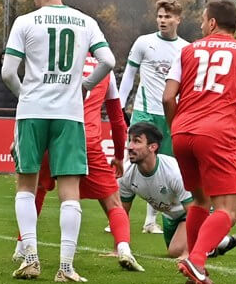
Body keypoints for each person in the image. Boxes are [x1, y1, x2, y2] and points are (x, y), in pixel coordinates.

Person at [2, 0, 115, 283]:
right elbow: (108, 61)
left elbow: (8, 72)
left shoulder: (25, 22)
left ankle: (32, 257)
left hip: (33, 111)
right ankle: (66, 267)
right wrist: (84, 86)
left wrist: (27, 95)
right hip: (69, 113)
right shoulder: (86, 21)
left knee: (27, 185)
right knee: (70, 191)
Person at [163, 0, 236, 284]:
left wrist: (175, 126)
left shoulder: (186, 50)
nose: (200, 25)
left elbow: (167, 97)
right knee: (228, 211)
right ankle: (196, 260)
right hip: (216, 134)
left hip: (183, 133)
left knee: (200, 200)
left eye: (202, 20)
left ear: (212, 23)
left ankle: (193, 260)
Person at [13, 54, 143, 272]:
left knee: (36, 189)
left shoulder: (56, 63)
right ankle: (123, 249)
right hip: (85, 138)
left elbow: (30, 102)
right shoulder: (105, 70)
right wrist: (119, 155)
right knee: (112, 201)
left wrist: (17, 136)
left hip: (49, 134)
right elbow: (117, 120)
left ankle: (23, 247)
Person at [118, 122, 236, 259]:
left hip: (194, 211)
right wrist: (119, 248)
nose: (130, 146)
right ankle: (222, 242)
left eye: (136, 141)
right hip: (170, 215)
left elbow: (195, 208)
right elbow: (122, 212)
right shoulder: (126, 173)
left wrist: (188, 253)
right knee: (175, 251)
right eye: (130, 140)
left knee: (177, 251)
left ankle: (210, 242)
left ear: (153, 147)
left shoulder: (173, 172)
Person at [118, 0, 190, 235]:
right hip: (144, 111)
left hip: (170, 114)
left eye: (168, 17)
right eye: (160, 16)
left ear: (178, 19)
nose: (162, 21)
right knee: (134, 160)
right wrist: (120, 105)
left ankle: (151, 220)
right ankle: (118, 217)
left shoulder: (186, 49)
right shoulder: (144, 43)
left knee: (165, 165)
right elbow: (129, 75)